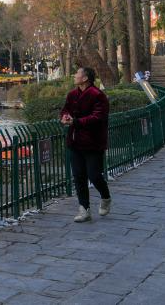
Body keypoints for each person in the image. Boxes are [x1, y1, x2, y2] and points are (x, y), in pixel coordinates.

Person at [60, 67, 111, 222]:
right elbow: (65, 110)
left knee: (94, 175)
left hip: (93, 142)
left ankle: (105, 197)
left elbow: (98, 117)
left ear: (85, 78)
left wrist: (76, 121)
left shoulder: (98, 95)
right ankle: (84, 209)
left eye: (77, 73)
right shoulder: (72, 94)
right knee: (78, 176)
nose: (74, 75)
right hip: (74, 141)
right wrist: (64, 117)